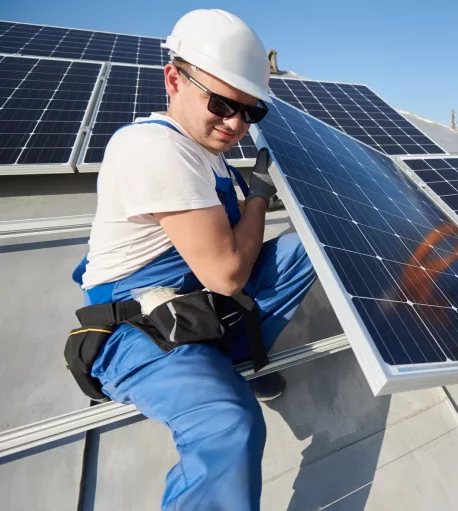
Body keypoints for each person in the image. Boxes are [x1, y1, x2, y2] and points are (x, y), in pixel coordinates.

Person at [69, 10, 316, 510]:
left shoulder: (206, 151)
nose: (236, 123)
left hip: (192, 305)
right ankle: (217, 382)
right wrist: (258, 197)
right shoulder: (155, 149)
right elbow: (226, 275)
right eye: (221, 103)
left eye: (251, 112)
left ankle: (230, 360)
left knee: (313, 248)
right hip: (137, 330)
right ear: (173, 79)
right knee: (228, 424)